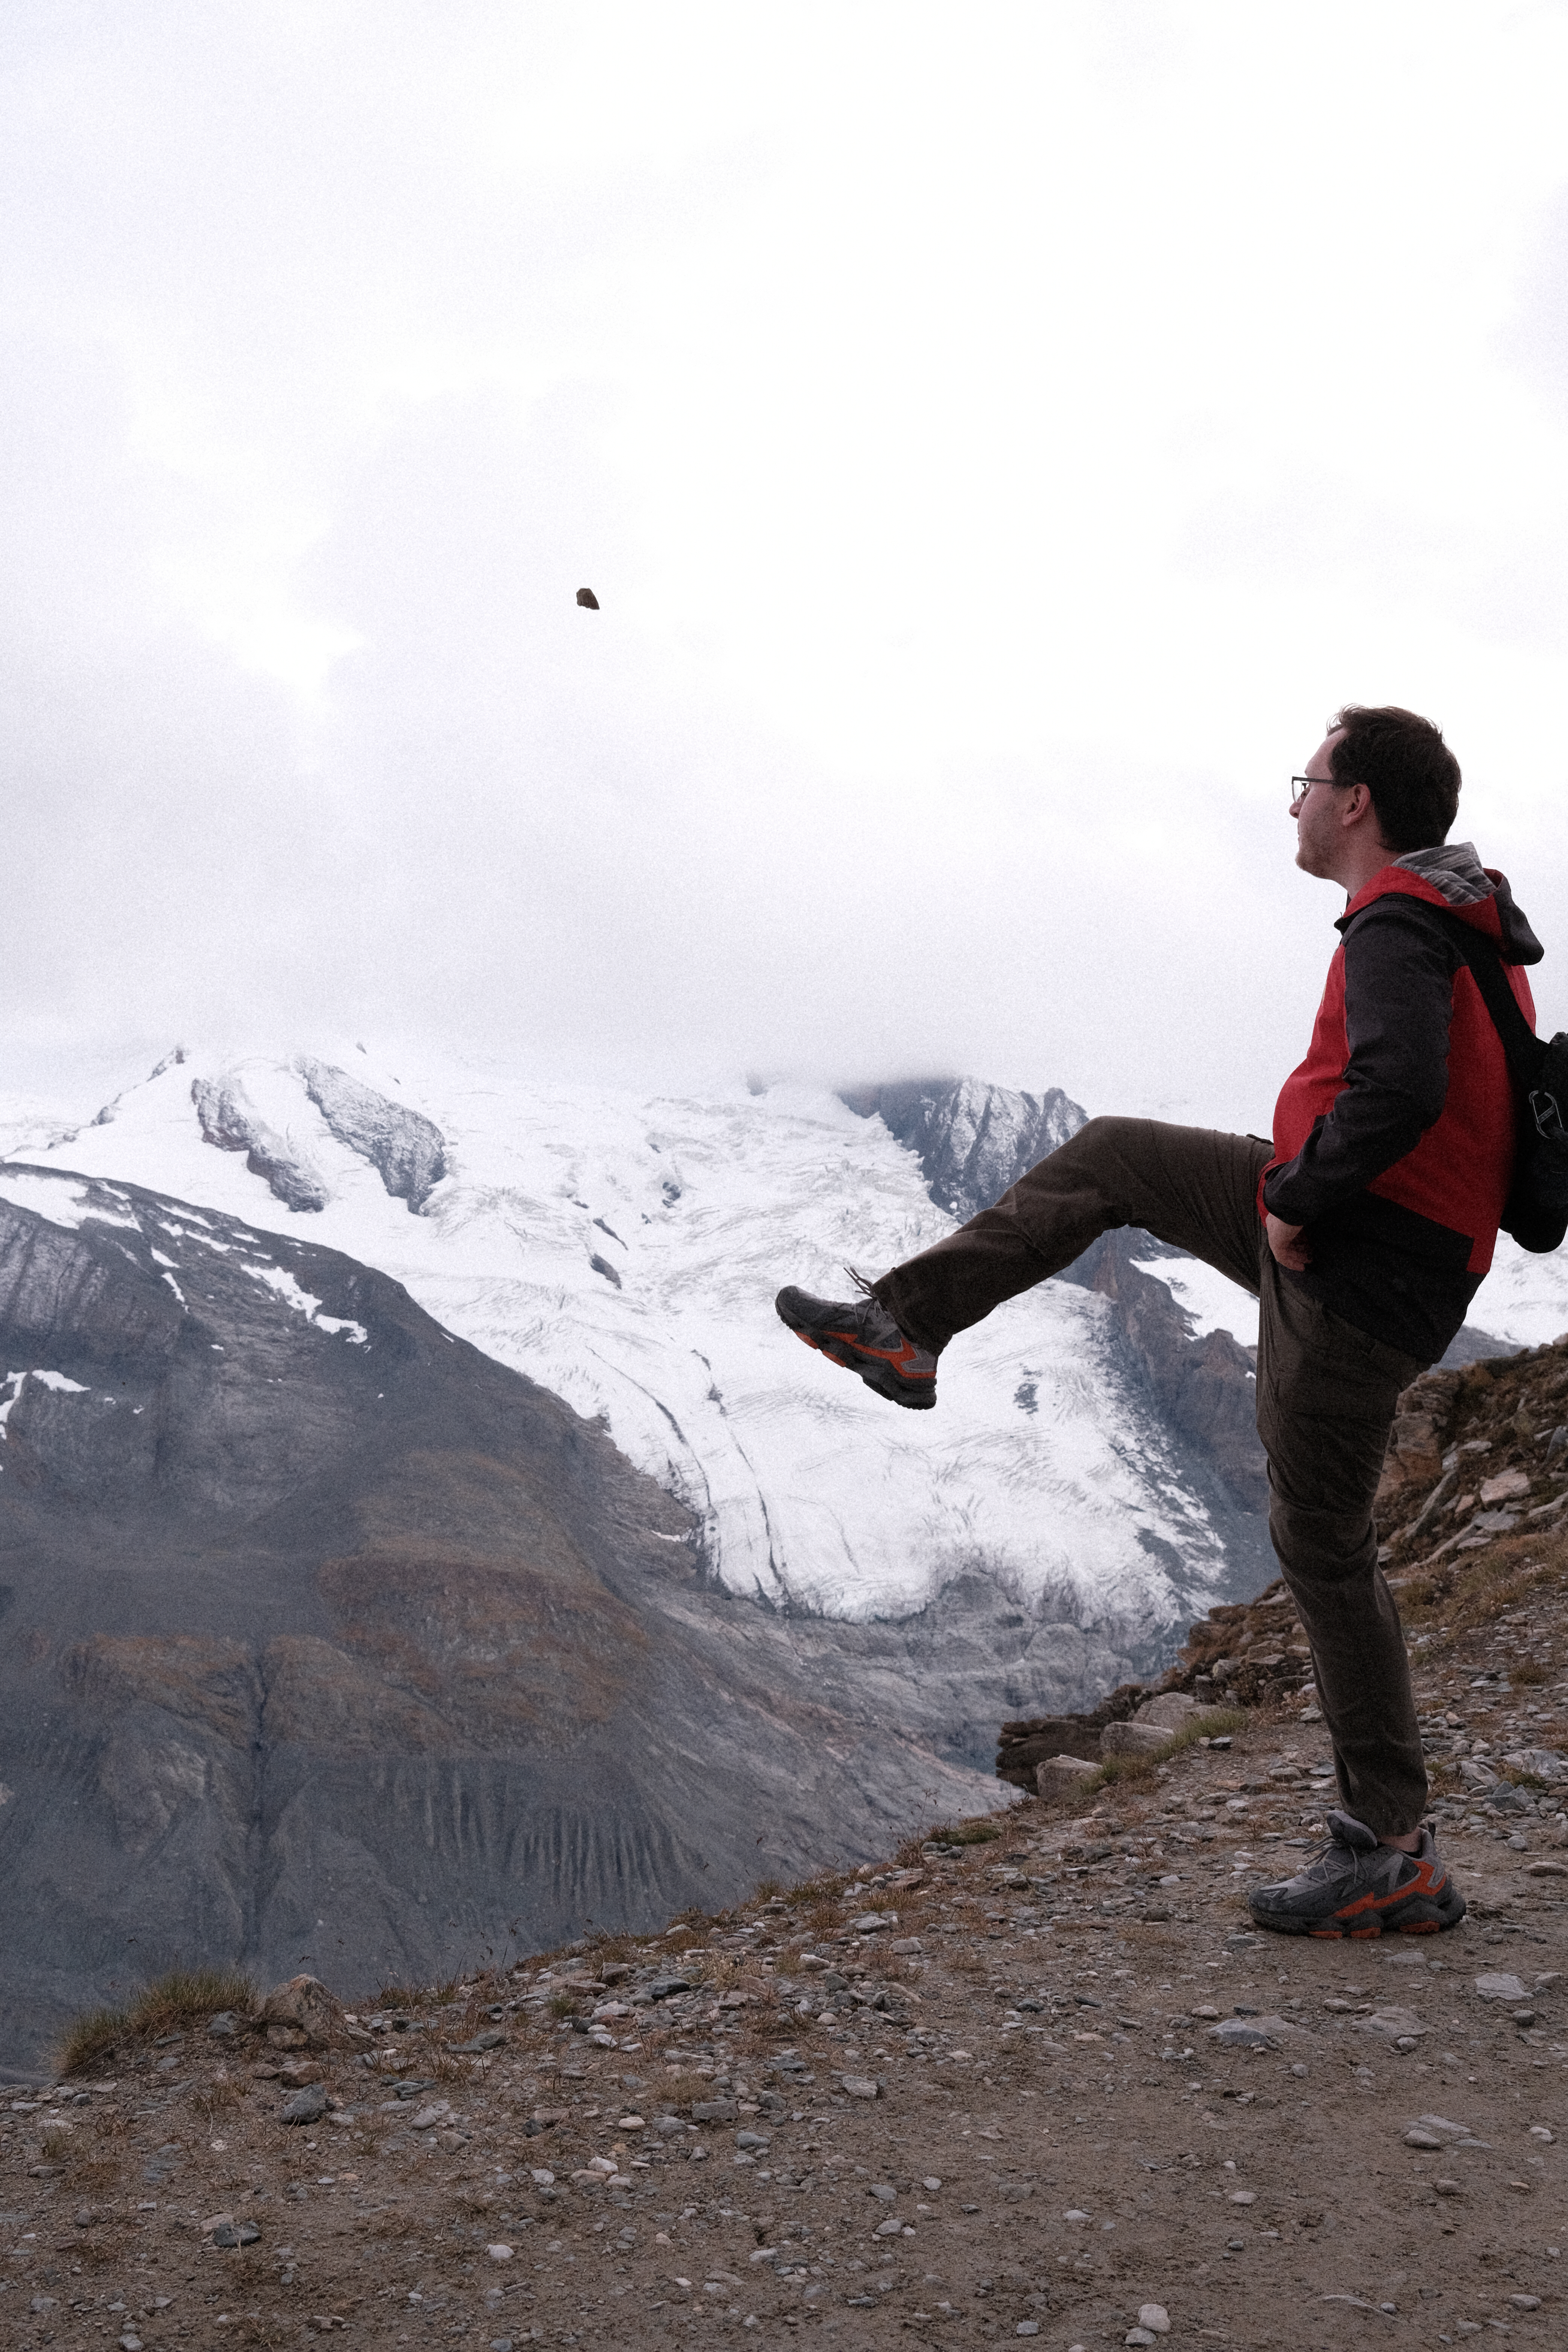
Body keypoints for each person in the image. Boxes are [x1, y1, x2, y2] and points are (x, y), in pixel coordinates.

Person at [777, 704, 1545, 1938]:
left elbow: (1400, 1087)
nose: (1293, 801)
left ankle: (1390, 1851)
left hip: (1356, 1271)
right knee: (1119, 1154)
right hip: (1376, 1240)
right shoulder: (1456, 916)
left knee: (1326, 1548)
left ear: (1355, 803)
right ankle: (902, 1326)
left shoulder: (1402, 924)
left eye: (1309, 779)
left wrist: (1295, 1201)